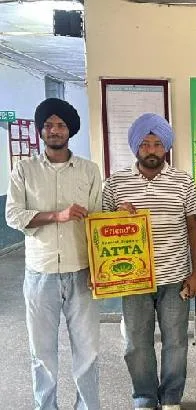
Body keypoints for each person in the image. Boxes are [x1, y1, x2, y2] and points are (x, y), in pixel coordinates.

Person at [102, 113, 196, 410]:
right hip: (133, 279)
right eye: (145, 144)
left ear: (166, 147)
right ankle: (144, 397)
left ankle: (171, 398)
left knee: (176, 342)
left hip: (175, 276)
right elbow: (100, 228)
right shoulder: (115, 183)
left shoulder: (183, 181)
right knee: (136, 343)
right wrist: (116, 215)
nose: (151, 150)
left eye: (157, 144)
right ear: (136, 147)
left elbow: (194, 229)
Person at [5, 98, 101, 409]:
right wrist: (56, 216)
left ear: (70, 129)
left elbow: (97, 220)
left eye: (60, 125)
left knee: (88, 352)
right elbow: (13, 215)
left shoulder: (89, 170)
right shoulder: (24, 170)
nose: (54, 130)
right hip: (40, 273)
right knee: (42, 353)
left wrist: (123, 219)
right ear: (40, 130)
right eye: (48, 125)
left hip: (81, 270)